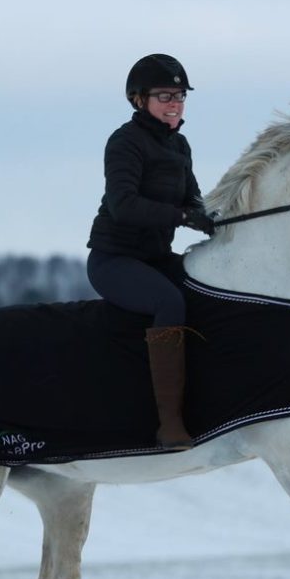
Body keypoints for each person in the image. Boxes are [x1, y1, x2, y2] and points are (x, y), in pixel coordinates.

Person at [86, 53, 214, 451]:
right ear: (139, 99)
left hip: (156, 258)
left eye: (179, 96)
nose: (174, 104)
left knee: (208, 288)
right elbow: (124, 205)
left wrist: (217, 216)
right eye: (164, 96)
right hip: (115, 260)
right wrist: (180, 216)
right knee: (169, 302)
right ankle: (169, 423)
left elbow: (193, 198)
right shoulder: (124, 142)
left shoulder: (179, 144)